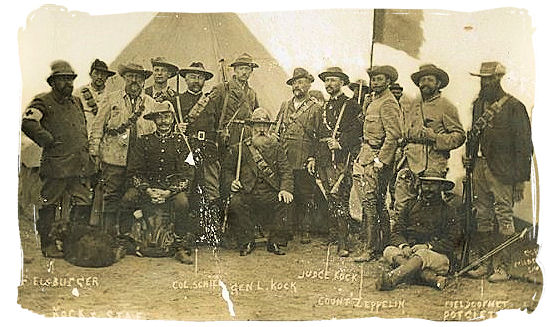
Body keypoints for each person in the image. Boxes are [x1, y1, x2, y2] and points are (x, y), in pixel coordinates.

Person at [464, 62, 533, 282]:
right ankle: (485, 263)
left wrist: (521, 179)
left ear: (498, 79)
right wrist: (470, 158)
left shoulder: (514, 106)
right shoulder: (478, 105)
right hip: (480, 166)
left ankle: (502, 267)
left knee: (504, 215)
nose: (485, 83)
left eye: (489, 79)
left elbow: (523, 145)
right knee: (483, 214)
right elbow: (474, 135)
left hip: (503, 169)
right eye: (482, 79)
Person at [21, 60, 96, 257]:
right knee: (50, 204)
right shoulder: (42, 101)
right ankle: (48, 244)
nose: (68, 84)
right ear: (53, 82)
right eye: (62, 79)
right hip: (57, 164)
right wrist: (46, 139)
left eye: (70, 79)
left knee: (82, 202)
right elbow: (28, 122)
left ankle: (74, 243)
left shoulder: (77, 102)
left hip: (79, 164)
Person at [89, 62, 157, 238]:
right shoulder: (112, 99)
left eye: (138, 77)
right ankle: (108, 236)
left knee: (132, 197)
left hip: (139, 161)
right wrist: (94, 152)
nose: (134, 80)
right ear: (124, 78)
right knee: (111, 196)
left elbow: (154, 131)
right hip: (114, 158)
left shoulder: (150, 103)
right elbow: (97, 127)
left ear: (143, 81)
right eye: (130, 76)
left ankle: (126, 236)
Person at [125, 101, 196, 263]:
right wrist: (147, 189)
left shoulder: (182, 143)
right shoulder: (144, 141)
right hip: (148, 187)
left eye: (167, 117)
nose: (163, 121)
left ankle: (179, 245)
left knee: (182, 203)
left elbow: (188, 174)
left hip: (171, 189)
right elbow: (134, 172)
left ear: (172, 119)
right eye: (160, 117)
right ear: (154, 120)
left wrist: (169, 192)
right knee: (128, 198)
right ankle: (125, 240)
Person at [394, 64, 465, 216]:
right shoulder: (413, 104)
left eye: (429, 80)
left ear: (438, 84)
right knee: (402, 205)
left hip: (432, 164)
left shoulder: (446, 106)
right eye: (422, 80)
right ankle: (401, 238)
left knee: (430, 208)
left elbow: (459, 136)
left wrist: (435, 138)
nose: (425, 83)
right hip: (409, 162)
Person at [376, 171, 461, 291]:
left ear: (441, 187)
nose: (428, 188)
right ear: (420, 186)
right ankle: (431, 278)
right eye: (425, 184)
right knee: (389, 250)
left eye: (433, 185)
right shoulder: (410, 205)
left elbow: (453, 240)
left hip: (437, 256)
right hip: (410, 252)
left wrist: (427, 246)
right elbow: (396, 231)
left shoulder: (448, 211)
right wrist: (404, 246)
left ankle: (392, 278)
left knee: (422, 255)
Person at [226, 108, 294, 256]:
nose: (261, 130)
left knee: (285, 200)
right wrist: (231, 182)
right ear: (251, 128)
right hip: (247, 192)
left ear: (269, 128)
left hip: (270, 192)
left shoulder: (276, 147)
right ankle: (246, 241)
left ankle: (274, 242)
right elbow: (227, 171)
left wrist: (285, 189)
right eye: (257, 126)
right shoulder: (240, 148)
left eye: (265, 126)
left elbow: (286, 171)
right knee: (236, 202)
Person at [353, 65, 402, 262]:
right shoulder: (374, 101)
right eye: (373, 79)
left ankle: (372, 249)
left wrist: (381, 160)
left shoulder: (388, 103)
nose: (374, 83)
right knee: (376, 204)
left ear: (388, 81)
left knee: (372, 203)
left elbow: (394, 135)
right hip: (367, 156)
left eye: (379, 79)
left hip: (377, 158)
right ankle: (382, 247)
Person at [317, 67, 363, 257]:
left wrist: (341, 143)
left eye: (333, 80)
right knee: (330, 197)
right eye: (327, 81)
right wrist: (314, 157)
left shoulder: (351, 105)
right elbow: (318, 133)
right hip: (324, 158)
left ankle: (343, 242)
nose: (329, 84)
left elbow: (357, 130)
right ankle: (335, 234)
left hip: (342, 160)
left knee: (341, 199)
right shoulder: (324, 107)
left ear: (342, 83)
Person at [273, 67, 322, 244]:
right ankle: (287, 229)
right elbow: (276, 129)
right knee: (287, 192)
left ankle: (305, 229)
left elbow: (319, 136)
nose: (297, 86)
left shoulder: (316, 108)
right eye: (295, 82)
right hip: (285, 156)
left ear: (309, 84)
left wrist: (313, 157)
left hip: (304, 158)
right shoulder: (285, 106)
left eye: (301, 82)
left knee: (305, 195)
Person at [177, 62, 222, 243]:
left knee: (211, 191)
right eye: (192, 77)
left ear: (205, 81)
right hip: (187, 150)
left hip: (208, 150)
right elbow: (166, 126)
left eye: (200, 77)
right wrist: (177, 127)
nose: (196, 81)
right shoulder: (178, 101)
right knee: (186, 189)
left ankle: (210, 232)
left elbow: (217, 126)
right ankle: (185, 233)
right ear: (186, 79)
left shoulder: (211, 102)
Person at [207, 53, 260, 198]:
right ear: (234, 71)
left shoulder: (252, 93)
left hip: (247, 135)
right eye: (241, 68)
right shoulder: (222, 89)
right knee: (226, 169)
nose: (244, 72)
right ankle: (225, 202)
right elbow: (210, 113)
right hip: (228, 135)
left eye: (247, 69)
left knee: (244, 168)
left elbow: (256, 116)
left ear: (251, 72)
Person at [75, 59, 116, 137]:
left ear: (107, 77)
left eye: (103, 74)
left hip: (104, 138)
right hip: (84, 137)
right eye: (96, 73)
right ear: (90, 75)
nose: (99, 77)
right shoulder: (79, 93)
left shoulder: (111, 96)